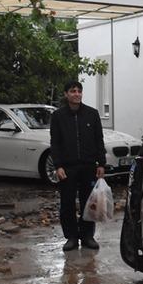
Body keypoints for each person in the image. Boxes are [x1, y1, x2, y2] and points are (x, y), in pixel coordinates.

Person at [50, 80, 106, 252]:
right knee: (67, 203)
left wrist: (101, 163)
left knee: (89, 202)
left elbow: (99, 140)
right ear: (66, 94)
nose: (77, 94)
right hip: (68, 167)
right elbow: (55, 143)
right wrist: (58, 165)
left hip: (89, 166)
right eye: (73, 91)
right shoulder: (58, 116)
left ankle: (88, 236)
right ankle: (72, 237)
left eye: (79, 91)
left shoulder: (92, 114)